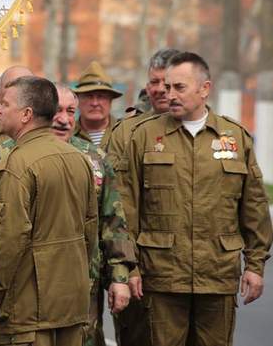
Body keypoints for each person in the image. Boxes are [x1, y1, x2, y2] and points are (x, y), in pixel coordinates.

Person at [122, 52, 273, 346]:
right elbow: (127, 209)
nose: (170, 95)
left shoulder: (235, 138)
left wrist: (255, 266)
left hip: (217, 275)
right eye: (167, 88)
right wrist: (130, 268)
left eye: (179, 87)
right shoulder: (144, 136)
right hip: (162, 277)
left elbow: (254, 207)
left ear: (205, 89)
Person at [0, 83, 135, 346]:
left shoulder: (17, 163)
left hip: (27, 306)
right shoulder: (77, 159)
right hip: (71, 304)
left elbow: (8, 237)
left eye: (5, 105)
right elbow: (90, 231)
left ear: (26, 114)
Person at [106, 48, 179, 346]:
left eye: (168, 82)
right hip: (140, 266)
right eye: (154, 82)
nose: (160, 89)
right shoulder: (126, 133)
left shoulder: (207, 131)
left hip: (186, 270)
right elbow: (116, 205)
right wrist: (125, 268)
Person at [73, 61, 123, 151]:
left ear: (110, 101)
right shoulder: (66, 135)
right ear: (77, 101)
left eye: (101, 97)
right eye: (88, 96)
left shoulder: (126, 134)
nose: (95, 103)